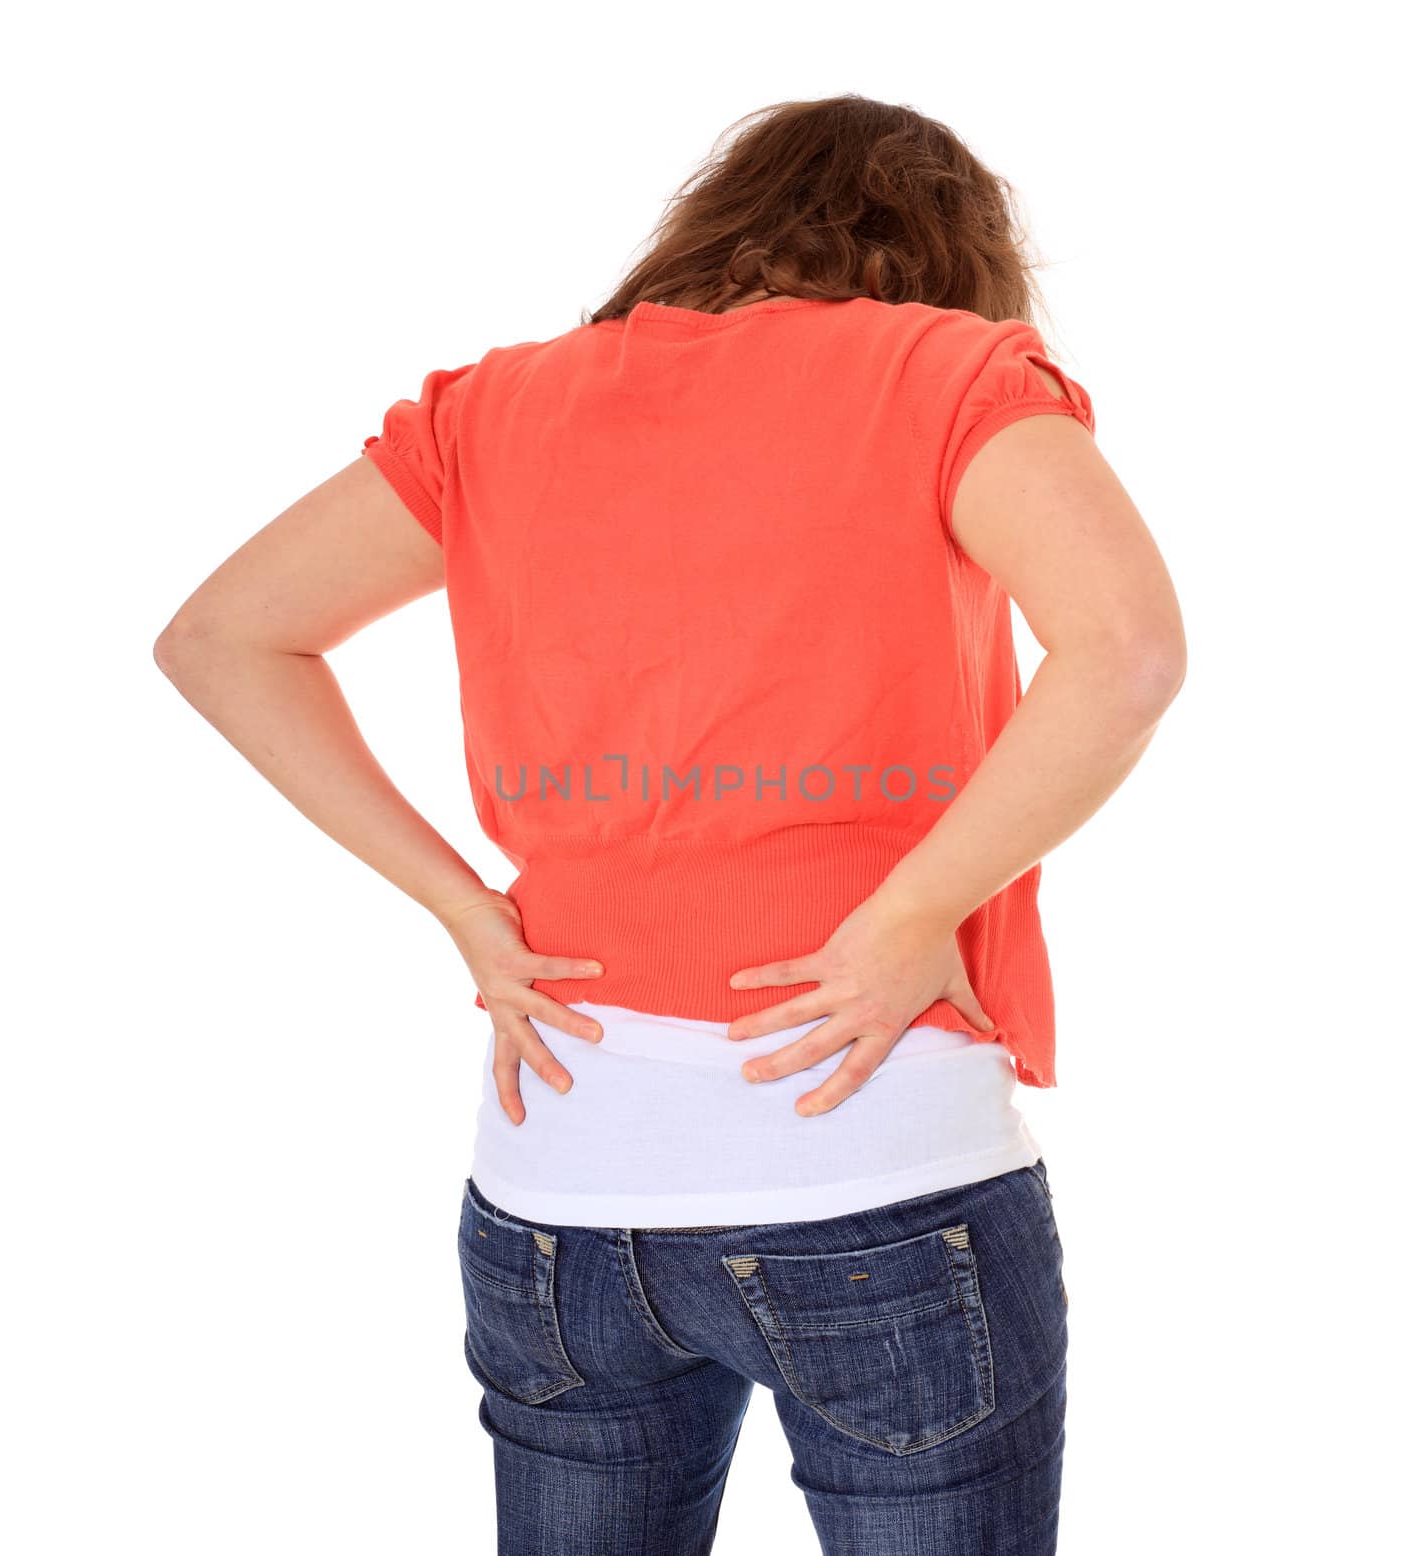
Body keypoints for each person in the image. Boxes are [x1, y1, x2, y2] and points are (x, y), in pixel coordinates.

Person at [155, 92, 1185, 1556]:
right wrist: (908, 915)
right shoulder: (953, 375)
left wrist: (467, 910)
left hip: (557, 1184)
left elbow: (222, 637)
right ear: (951, 254)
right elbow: (1128, 654)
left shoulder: (495, 405)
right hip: (870, 1158)